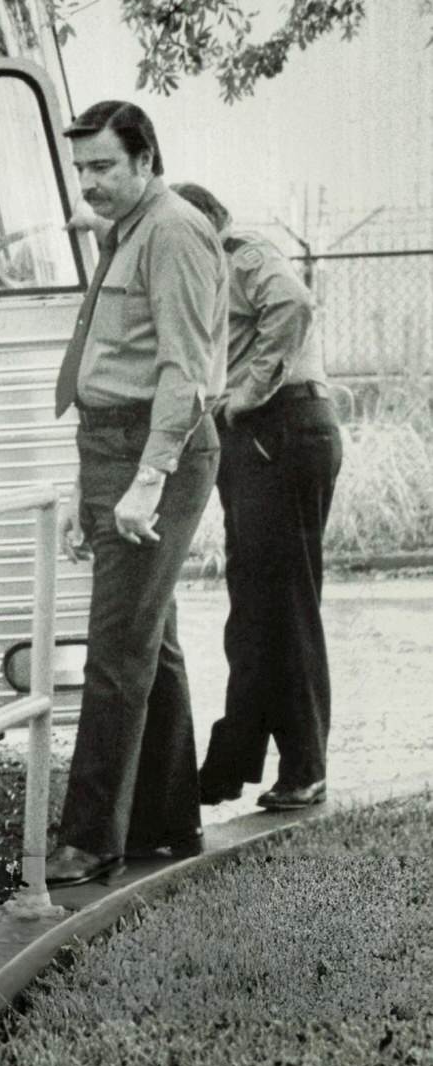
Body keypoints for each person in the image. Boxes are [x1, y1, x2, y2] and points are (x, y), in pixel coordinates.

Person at [46, 101, 228, 886]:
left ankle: (89, 840)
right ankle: (164, 820)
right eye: (81, 169)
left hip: (151, 452)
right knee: (153, 636)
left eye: (104, 168)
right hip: (112, 446)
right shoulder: (127, 228)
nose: (89, 185)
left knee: (116, 647)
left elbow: (185, 373)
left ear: (146, 158)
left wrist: (146, 482)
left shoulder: (175, 229)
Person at [173, 182, 344, 811]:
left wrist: (247, 392)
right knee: (255, 611)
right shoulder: (214, 266)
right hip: (264, 439)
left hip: (280, 429)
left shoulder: (237, 251)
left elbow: (294, 303)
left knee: (283, 607)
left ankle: (305, 766)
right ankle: (230, 765)